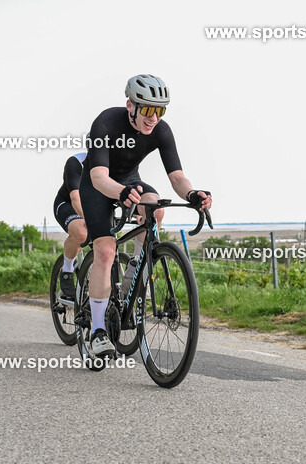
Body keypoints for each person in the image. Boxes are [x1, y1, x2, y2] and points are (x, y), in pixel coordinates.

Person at [79, 74, 211, 356]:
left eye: (160, 111)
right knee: (105, 250)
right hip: (98, 185)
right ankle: (99, 330)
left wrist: (191, 194)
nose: (154, 118)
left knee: (155, 206)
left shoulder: (161, 130)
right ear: (131, 105)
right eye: (149, 110)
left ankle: (135, 272)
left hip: (129, 180)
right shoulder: (105, 123)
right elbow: (99, 177)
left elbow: (176, 177)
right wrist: (120, 194)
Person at [52, 151, 87, 302]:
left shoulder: (115, 164)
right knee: (81, 234)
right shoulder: (76, 162)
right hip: (68, 204)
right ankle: (66, 271)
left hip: (94, 206)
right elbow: (75, 198)